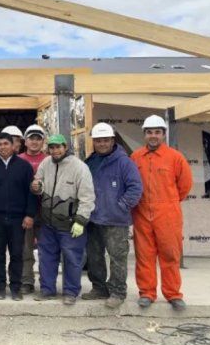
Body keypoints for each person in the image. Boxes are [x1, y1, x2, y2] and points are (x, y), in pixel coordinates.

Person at [130, 115, 192, 311]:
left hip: (167, 212)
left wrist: (168, 203)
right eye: (149, 132)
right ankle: (147, 293)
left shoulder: (175, 157)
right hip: (141, 211)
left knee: (170, 254)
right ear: (144, 135)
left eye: (157, 132)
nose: (153, 136)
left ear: (164, 134)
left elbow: (185, 186)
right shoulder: (136, 157)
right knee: (144, 255)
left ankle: (173, 294)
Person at [82, 123, 142, 309]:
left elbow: (135, 188)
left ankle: (118, 291)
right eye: (98, 140)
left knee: (117, 257)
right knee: (94, 256)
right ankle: (99, 288)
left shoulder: (125, 162)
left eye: (105, 140)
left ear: (112, 140)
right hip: (93, 218)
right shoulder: (90, 162)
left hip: (116, 220)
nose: (101, 144)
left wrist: (121, 206)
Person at [31, 134, 95, 305]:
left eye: (58, 147)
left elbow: (87, 197)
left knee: (72, 258)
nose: (55, 150)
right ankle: (47, 289)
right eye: (52, 147)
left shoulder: (79, 167)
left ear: (65, 147)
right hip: (48, 223)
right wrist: (36, 187)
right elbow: (40, 186)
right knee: (46, 258)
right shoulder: (46, 163)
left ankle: (71, 292)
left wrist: (81, 220)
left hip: (70, 224)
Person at [0, 133, 36, 301]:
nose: (2, 147)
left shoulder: (24, 166)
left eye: (5, 144)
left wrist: (29, 215)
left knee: (17, 253)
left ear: (13, 146)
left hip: (18, 219)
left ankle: (15, 288)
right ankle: (0, 287)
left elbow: (31, 193)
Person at [18, 124, 48, 294]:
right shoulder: (19, 160)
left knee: (46, 249)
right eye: (31, 138)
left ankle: (46, 280)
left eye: (38, 139)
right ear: (25, 141)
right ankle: (27, 281)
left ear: (43, 141)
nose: (35, 142)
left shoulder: (50, 159)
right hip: (25, 211)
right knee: (25, 248)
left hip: (45, 211)